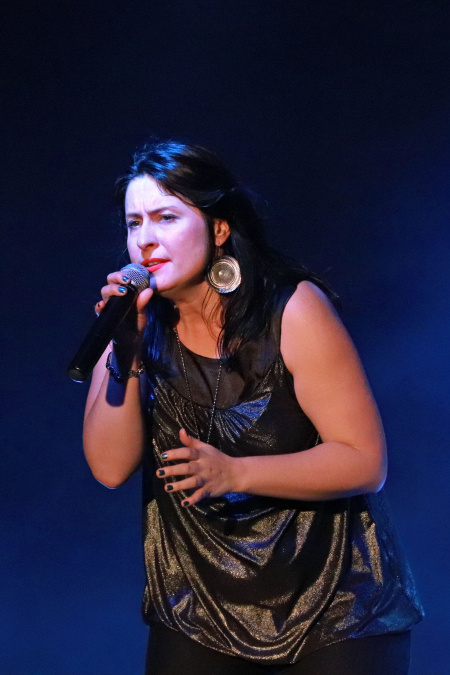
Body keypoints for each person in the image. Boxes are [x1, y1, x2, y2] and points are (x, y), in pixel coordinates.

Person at [83, 140, 423, 675]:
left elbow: (364, 460)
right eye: (134, 223)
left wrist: (235, 473)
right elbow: (108, 467)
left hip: (332, 606)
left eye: (166, 217)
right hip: (197, 606)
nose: (145, 239)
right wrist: (124, 348)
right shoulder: (136, 327)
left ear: (219, 228)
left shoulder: (291, 309)